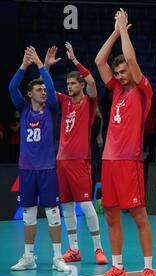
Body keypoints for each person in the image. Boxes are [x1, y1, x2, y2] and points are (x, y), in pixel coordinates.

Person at [91, 9, 156, 276]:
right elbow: (98, 60)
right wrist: (115, 32)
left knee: (139, 214)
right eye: (117, 73)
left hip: (130, 161)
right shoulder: (116, 89)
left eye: (123, 71)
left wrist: (125, 30)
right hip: (109, 161)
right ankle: (117, 268)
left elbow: (130, 57)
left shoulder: (144, 89)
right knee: (110, 213)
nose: (119, 74)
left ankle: (148, 270)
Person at [43, 43, 108, 264]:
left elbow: (91, 81)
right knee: (67, 206)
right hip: (61, 161)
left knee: (87, 204)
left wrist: (74, 60)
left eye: (72, 83)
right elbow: (48, 90)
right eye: (68, 84)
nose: (69, 86)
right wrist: (46, 66)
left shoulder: (89, 102)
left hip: (80, 161)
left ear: (80, 84)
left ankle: (98, 249)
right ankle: (74, 249)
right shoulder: (65, 102)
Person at [8, 46, 70, 273]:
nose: (44, 91)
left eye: (44, 89)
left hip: (47, 169)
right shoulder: (23, 109)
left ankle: (57, 258)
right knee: (29, 216)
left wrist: (42, 65)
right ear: (30, 94)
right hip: (26, 170)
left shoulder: (51, 109)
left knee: (53, 214)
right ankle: (28, 257)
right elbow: (11, 87)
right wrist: (25, 65)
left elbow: (52, 89)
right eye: (39, 89)